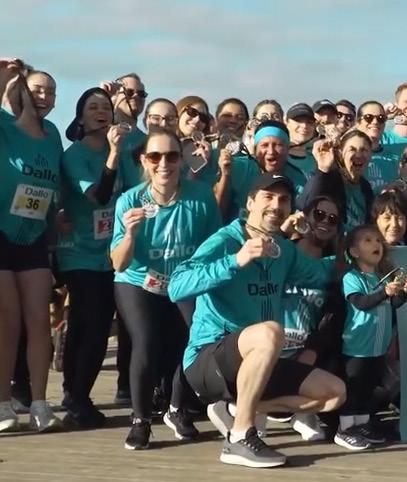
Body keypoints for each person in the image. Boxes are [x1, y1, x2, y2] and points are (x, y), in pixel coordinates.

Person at [168, 172, 346, 468]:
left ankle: (238, 410)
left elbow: (320, 274)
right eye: (268, 197)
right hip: (207, 361)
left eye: (284, 200)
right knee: (270, 332)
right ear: (250, 203)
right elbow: (177, 286)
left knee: (332, 393)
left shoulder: (283, 250)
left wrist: (358, 255)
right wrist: (235, 261)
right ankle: (239, 437)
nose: (276, 205)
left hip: (258, 363)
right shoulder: (226, 240)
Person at [110, 130, 221, 448]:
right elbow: (119, 263)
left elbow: (213, 246)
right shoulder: (130, 200)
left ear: (181, 160)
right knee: (146, 342)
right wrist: (130, 235)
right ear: (144, 161)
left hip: (183, 281)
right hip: (138, 280)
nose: (164, 164)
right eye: (155, 156)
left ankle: (176, 407)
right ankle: (141, 420)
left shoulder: (200, 196)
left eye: (171, 156)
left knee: (194, 340)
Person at [56, 88, 126, 429]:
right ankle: (78, 398)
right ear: (80, 117)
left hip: (111, 255)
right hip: (79, 254)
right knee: (94, 326)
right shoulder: (75, 156)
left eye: (106, 107)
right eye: (92, 107)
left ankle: (74, 394)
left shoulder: (122, 152)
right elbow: (99, 196)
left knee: (88, 326)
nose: (101, 112)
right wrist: (113, 155)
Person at [0, 63, 63, 433]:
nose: (44, 96)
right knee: (7, 322)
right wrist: (5, 72)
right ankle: (3, 403)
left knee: (39, 320)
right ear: (19, 90)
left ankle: (40, 403)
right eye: (37, 88)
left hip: (35, 235)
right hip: (1, 234)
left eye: (50, 91)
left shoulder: (52, 134)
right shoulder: (4, 125)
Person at [334, 225, 407, 450]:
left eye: (378, 240)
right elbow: (360, 302)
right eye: (368, 240)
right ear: (354, 251)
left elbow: (393, 305)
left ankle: (362, 425)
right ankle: (345, 429)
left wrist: (403, 294)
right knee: (354, 388)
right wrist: (383, 293)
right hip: (357, 347)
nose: (376, 244)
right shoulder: (351, 277)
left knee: (367, 389)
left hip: (378, 348)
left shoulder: (380, 277)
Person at [275, 195, 344, 443]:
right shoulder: (282, 251)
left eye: (333, 219)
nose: (325, 222)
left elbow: (334, 316)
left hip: (307, 351)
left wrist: (314, 349)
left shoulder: (334, 266)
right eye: (319, 215)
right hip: (270, 345)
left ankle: (302, 412)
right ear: (304, 216)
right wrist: (282, 233)